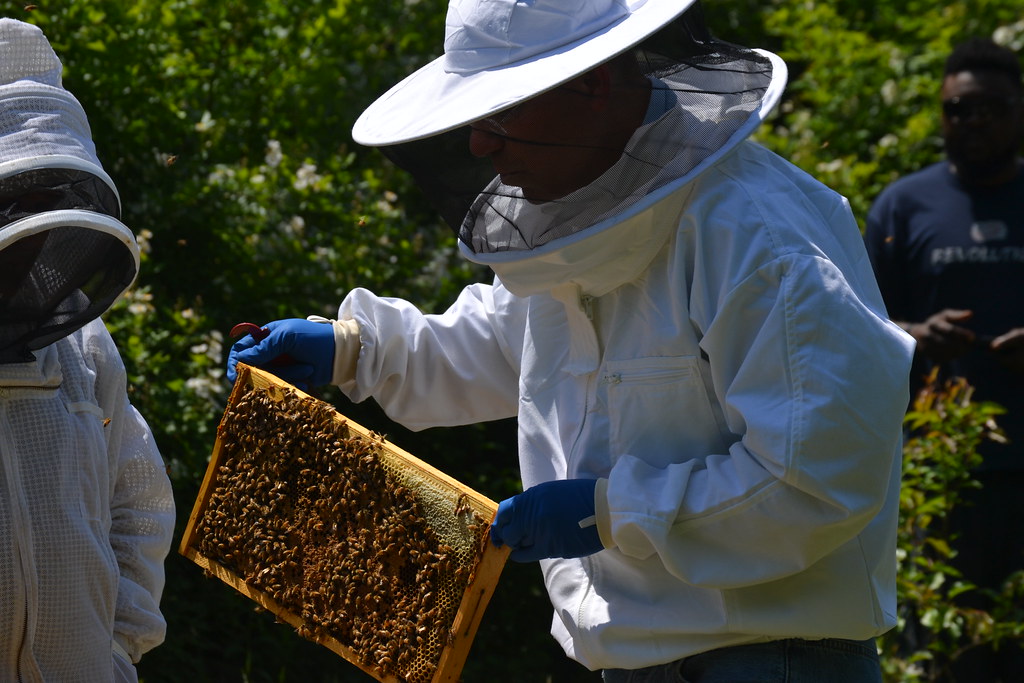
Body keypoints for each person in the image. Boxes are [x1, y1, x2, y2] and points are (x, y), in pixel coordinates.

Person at [228, 1, 915, 680]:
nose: (478, 143)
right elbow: (504, 346)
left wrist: (609, 511)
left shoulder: (754, 232)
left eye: (503, 110)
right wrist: (353, 347)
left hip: (775, 661)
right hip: (631, 661)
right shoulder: (585, 219)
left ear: (591, 83)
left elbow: (819, 473)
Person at [0, 18, 176, 683]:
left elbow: (139, 497)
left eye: (45, 201)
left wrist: (117, 644)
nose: (29, 232)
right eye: (13, 203)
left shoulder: (84, 349)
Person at [864, 37, 1024, 681]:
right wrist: (916, 334)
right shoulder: (903, 206)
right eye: (957, 110)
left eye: (988, 107)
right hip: (939, 468)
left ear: (1018, 108)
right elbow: (858, 327)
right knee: (946, 649)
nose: (972, 121)